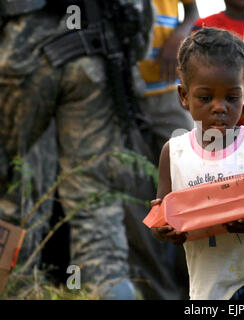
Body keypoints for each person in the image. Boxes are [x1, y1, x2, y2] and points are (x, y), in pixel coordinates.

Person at [0, 0, 153, 299]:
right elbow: (140, 20)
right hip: (95, 50)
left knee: (9, 196)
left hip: (20, 49)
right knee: (95, 206)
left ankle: (15, 289)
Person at [150, 28, 244, 300]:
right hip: (209, 290)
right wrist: (165, 230)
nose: (219, 107)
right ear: (184, 96)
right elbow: (164, 218)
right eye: (206, 98)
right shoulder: (173, 152)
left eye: (231, 97)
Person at [138, 0, 199, 161]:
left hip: (167, 90)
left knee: (187, 160)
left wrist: (179, 36)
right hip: (123, 90)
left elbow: (192, 11)